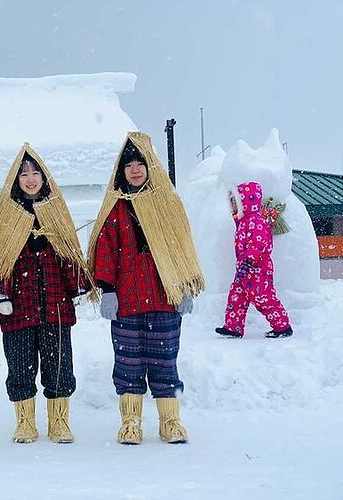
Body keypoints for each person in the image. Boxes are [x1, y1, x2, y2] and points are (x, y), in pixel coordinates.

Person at [87, 132, 205, 445]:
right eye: (129, 165)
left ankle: (170, 421)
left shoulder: (168, 205)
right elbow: (105, 250)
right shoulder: (115, 209)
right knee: (128, 363)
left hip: (165, 300)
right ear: (121, 171)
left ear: (150, 166)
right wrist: (107, 289)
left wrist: (185, 286)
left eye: (141, 163)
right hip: (126, 302)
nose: (135, 170)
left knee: (165, 361)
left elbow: (182, 247)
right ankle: (131, 422)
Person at [0, 143, 93, 444]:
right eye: (24, 174)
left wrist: (78, 285)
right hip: (17, 307)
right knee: (19, 365)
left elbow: (70, 252)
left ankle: (58, 421)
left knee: (59, 364)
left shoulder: (55, 211)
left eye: (35, 173)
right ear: (15, 181)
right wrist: (1, 295)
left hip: (55, 304)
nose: (30, 179)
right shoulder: (8, 215)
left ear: (44, 178)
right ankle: (25, 421)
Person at [215, 181, 293, 338]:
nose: (233, 206)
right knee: (236, 297)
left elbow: (258, 243)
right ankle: (233, 327)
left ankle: (282, 327)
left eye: (235, 202)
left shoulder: (256, 221)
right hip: (243, 269)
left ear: (246, 202)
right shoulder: (243, 222)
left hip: (257, 270)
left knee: (264, 298)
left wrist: (249, 261)